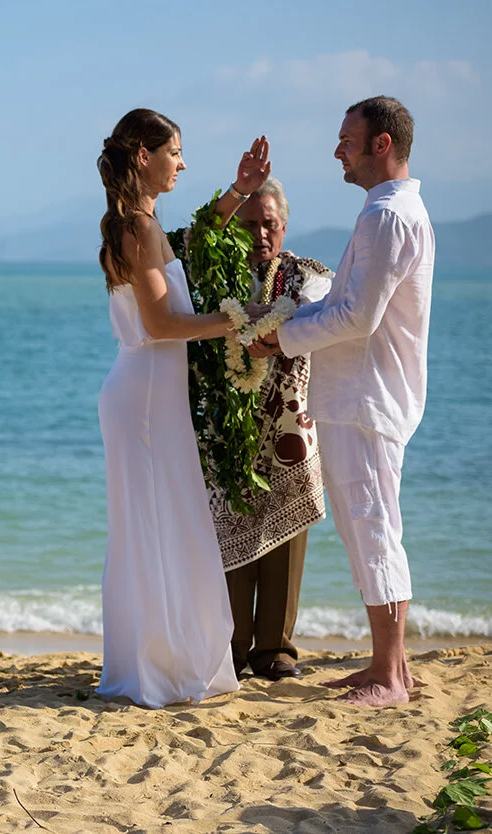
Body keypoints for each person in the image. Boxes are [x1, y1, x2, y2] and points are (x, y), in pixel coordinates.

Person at [255, 96, 434, 707]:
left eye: (346, 140)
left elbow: (357, 317)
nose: (337, 151)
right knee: (369, 528)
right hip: (358, 393)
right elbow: (345, 308)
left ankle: (389, 676)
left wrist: (283, 336)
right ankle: (391, 665)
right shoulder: (388, 210)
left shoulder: (388, 216)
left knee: (374, 527)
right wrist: (295, 319)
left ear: (381, 144)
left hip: (367, 396)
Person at [94, 108, 271, 707]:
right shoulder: (134, 228)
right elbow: (161, 322)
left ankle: (161, 659)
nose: (182, 162)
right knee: (153, 525)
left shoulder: (143, 224)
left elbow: (188, 248)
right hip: (143, 395)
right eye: (175, 151)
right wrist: (237, 323)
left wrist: (238, 193)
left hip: (148, 395)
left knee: (164, 522)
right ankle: (154, 667)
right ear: (144, 156)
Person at [212, 177, 332, 682]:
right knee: (230, 531)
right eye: (250, 224)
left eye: (270, 224)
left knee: (285, 534)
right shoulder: (216, 279)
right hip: (228, 428)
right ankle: (233, 646)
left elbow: (315, 314)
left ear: (284, 227)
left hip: (288, 425)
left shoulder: (310, 276)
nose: (261, 234)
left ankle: (276, 650)